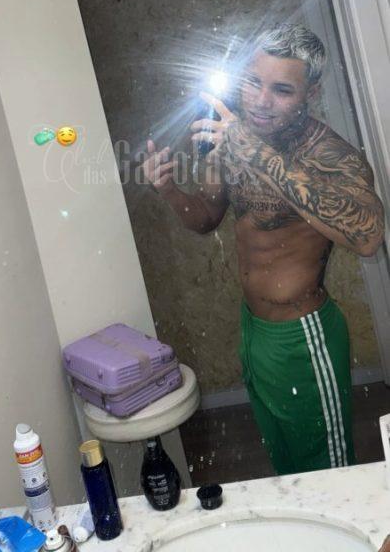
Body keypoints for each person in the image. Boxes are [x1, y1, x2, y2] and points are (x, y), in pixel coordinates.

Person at [142, 23, 384, 475]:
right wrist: (169, 190)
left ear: (311, 93)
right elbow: (206, 217)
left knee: (329, 472)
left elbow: (368, 238)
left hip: (303, 337)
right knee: (285, 462)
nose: (260, 101)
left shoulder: (330, 155)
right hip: (254, 330)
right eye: (253, 82)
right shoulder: (227, 137)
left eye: (282, 90)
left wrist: (254, 151)